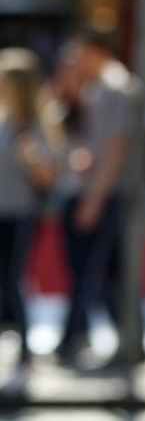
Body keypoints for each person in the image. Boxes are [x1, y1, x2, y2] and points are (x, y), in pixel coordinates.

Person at [53, 29, 143, 366]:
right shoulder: (97, 87)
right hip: (98, 190)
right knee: (107, 273)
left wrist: (95, 198)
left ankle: (74, 338)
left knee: (94, 270)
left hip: (106, 192)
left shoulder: (117, 87)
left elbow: (116, 147)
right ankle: (125, 338)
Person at [0, 49, 55, 394]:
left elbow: (48, 175)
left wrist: (32, 159)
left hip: (18, 214)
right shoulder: (4, 120)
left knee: (13, 282)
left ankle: (25, 355)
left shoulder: (32, 126)